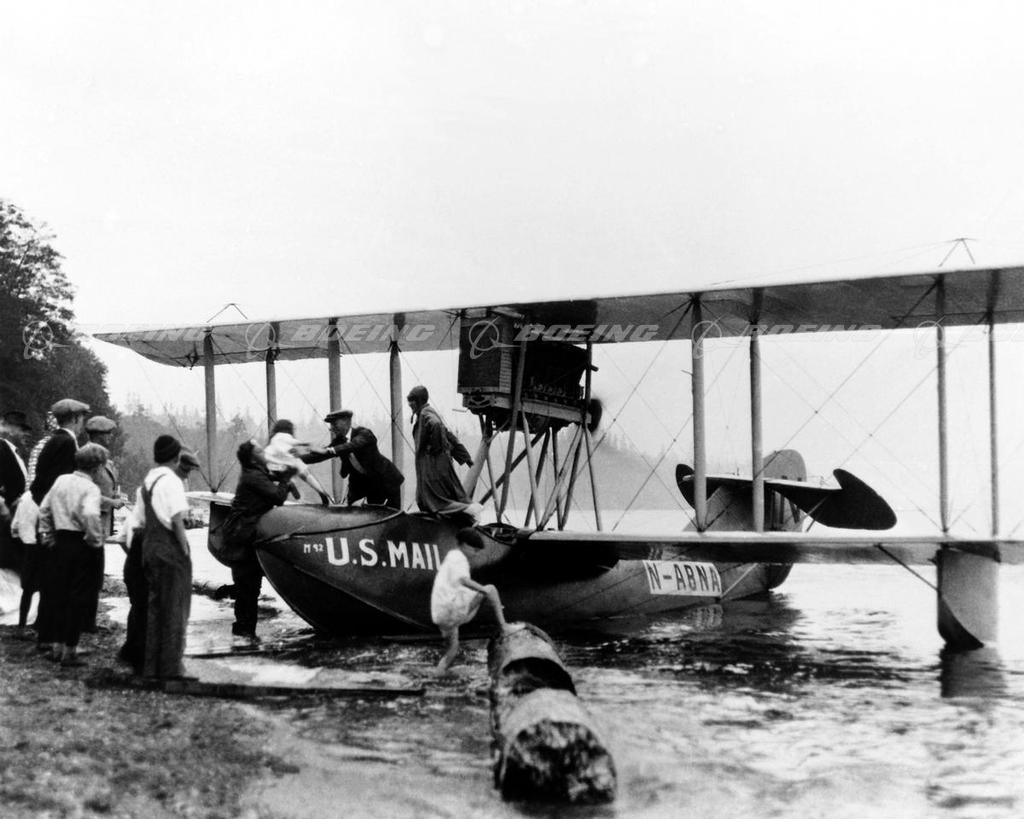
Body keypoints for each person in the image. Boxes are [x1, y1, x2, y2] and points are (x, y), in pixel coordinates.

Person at [119, 448, 200, 674]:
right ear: (176, 464)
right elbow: (173, 521)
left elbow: (128, 533)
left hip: (143, 548)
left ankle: (144, 661)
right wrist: (184, 550)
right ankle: (164, 665)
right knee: (167, 609)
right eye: (185, 470)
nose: (185, 476)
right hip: (153, 548)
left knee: (147, 608)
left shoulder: (149, 485)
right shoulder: (169, 485)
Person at [36, 443, 107, 667]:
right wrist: (95, 540)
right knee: (78, 597)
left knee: (59, 594)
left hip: (60, 541)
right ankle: (70, 650)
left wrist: (48, 535)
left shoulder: (61, 480)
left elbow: (44, 509)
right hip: (81, 544)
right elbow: (90, 514)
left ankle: (56, 646)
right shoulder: (91, 488)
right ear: (97, 467)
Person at [30, 398, 89, 655]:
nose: (83, 424)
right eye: (82, 419)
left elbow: (38, 486)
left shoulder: (52, 442)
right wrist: (61, 520)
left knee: (50, 581)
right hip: (61, 526)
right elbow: (63, 486)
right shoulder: (67, 444)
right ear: (75, 419)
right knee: (63, 584)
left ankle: (46, 636)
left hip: (48, 520)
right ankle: (57, 640)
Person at [135, 435, 193, 680]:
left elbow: (140, 521)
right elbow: (178, 519)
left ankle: (151, 667)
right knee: (175, 609)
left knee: (155, 609)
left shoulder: (148, 480)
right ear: (176, 456)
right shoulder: (172, 480)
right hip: (170, 549)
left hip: (150, 547)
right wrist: (185, 549)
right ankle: (171, 668)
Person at [226, 440, 294, 644]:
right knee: (248, 587)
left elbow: (272, 478)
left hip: (242, 536)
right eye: (260, 451)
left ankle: (244, 633)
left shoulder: (254, 473)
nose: (264, 452)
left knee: (248, 587)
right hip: (244, 538)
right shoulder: (253, 476)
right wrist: (286, 479)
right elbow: (277, 497)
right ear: (253, 458)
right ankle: (245, 634)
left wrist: (283, 474)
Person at [430, 527, 505, 674]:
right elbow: (463, 580)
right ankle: (504, 627)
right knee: (490, 589)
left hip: (440, 615)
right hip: (451, 611)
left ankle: (437, 673)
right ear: (464, 545)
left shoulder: (450, 557)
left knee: (453, 649)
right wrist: (483, 591)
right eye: (474, 550)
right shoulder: (459, 558)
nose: (475, 554)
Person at [406, 386, 479, 520]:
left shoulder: (425, 414)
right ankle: (466, 514)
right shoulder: (428, 412)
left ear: (419, 401)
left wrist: (434, 448)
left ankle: (469, 510)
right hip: (439, 464)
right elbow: (449, 435)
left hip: (432, 466)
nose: (410, 404)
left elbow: (436, 425)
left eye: (412, 401)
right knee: (434, 496)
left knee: (432, 499)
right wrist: (465, 457)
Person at [306, 410, 404, 508]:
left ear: (346, 421)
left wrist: (328, 450)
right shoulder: (339, 442)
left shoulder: (364, 434)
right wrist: (298, 459)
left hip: (387, 480)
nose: (331, 428)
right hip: (367, 484)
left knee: (394, 512)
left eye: (334, 424)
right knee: (371, 512)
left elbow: (353, 445)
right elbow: (320, 455)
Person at [82, 415, 125, 634]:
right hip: (92, 521)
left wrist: (114, 496)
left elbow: (106, 486)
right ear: (97, 435)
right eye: (107, 434)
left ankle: (90, 618)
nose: (110, 437)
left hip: (101, 522)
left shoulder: (104, 459)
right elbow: (88, 492)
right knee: (90, 572)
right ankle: (85, 621)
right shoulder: (88, 458)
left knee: (96, 572)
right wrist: (112, 502)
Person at [263, 419, 334, 505]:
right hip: (287, 464)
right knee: (304, 473)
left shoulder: (274, 438)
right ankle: (321, 492)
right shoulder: (284, 436)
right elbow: (293, 443)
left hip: (271, 465)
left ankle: (288, 484)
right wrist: (306, 444)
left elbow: (270, 452)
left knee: (283, 475)